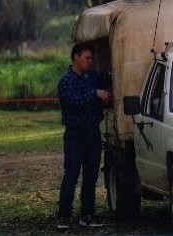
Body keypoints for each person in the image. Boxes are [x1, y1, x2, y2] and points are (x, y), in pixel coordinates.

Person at [56, 42, 111, 230]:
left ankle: (87, 215)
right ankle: (64, 217)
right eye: (87, 58)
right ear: (76, 57)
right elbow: (74, 102)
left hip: (92, 134)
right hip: (75, 135)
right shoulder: (66, 81)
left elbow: (107, 79)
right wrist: (95, 94)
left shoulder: (92, 77)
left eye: (92, 59)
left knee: (91, 176)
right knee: (71, 175)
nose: (90, 61)